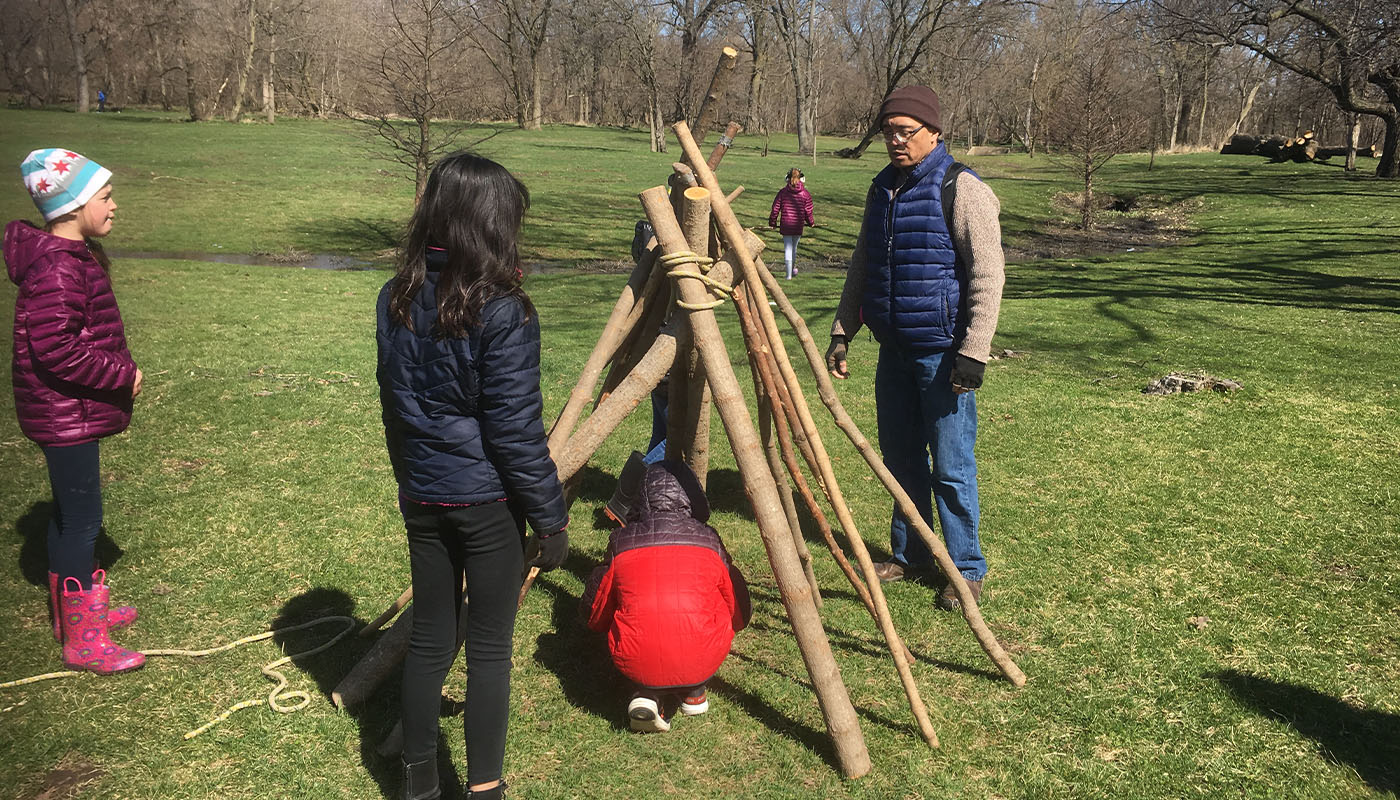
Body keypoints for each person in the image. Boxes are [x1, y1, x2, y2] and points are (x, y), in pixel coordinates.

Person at [377, 152, 569, 800]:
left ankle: (419, 784)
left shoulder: (396, 295)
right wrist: (550, 519)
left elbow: (392, 405)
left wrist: (410, 479)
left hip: (423, 495)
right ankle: (485, 787)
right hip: (485, 504)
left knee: (432, 637)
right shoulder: (504, 309)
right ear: (489, 223)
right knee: (487, 649)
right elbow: (514, 434)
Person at [824, 85, 1006, 610]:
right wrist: (843, 331)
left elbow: (988, 276)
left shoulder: (963, 188)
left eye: (907, 131)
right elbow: (863, 264)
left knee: (949, 464)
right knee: (901, 458)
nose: (897, 141)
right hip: (893, 350)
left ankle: (965, 566)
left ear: (935, 133)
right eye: (889, 131)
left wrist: (974, 351)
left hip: (943, 354)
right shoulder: (882, 188)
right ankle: (910, 554)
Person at [7, 148, 144, 674]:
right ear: (73, 205)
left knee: (68, 516)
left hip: (65, 412)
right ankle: (83, 639)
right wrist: (121, 375)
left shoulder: (70, 259)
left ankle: (77, 613)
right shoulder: (60, 270)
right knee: (84, 520)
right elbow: (58, 350)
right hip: (64, 414)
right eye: (106, 198)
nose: (114, 206)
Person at [581, 460, 751, 733]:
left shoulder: (621, 541)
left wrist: (598, 624)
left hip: (635, 655)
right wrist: (737, 622)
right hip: (705, 656)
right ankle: (694, 690)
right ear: (691, 498)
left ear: (641, 499)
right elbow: (736, 601)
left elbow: (597, 605)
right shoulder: (709, 539)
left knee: (636, 619)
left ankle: (646, 692)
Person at [768, 167, 816, 280]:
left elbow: (775, 209)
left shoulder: (782, 193)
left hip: (786, 224)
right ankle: (792, 270)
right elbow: (808, 211)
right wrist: (811, 222)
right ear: (802, 179)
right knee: (794, 248)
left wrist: (772, 222)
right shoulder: (805, 194)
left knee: (788, 248)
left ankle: (789, 274)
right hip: (798, 225)